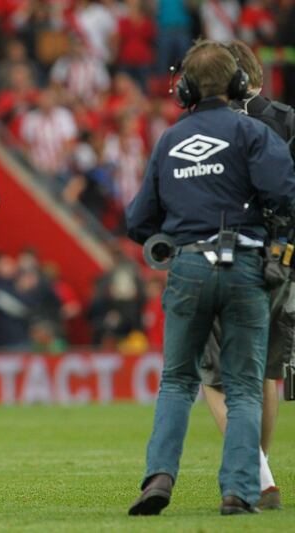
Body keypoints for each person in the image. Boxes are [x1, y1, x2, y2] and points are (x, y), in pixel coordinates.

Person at [124, 40, 295, 516]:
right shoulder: (252, 134)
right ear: (240, 84)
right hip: (245, 266)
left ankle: (158, 477)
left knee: (178, 381)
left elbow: (138, 218)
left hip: (187, 266)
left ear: (184, 89)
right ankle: (240, 491)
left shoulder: (169, 140)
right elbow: (284, 192)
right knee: (243, 384)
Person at [198, 39, 295, 511]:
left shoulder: (213, 125)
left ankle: (257, 472)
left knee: (213, 373)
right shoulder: (287, 118)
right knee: (266, 371)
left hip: (227, 255)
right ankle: (260, 473)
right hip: (285, 259)